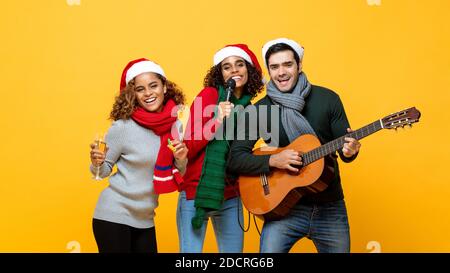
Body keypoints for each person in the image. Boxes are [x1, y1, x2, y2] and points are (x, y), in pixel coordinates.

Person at [228, 38, 361, 253]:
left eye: (287, 64)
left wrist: (350, 151)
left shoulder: (328, 99)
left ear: (299, 66)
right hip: (284, 209)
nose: (281, 72)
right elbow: (235, 158)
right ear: (269, 71)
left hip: (330, 206)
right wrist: (273, 160)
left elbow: (345, 149)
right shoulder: (259, 110)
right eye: (274, 67)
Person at [89, 58, 188, 253]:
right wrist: (97, 162)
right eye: (140, 89)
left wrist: (181, 159)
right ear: (132, 94)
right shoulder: (123, 127)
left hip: (145, 218)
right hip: (113, 215)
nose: (148, 93)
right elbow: (102, 172)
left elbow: (180, 173)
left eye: (153, 86)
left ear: (165, 87)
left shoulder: (176, 125)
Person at [178, 44, 264, 253]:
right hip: (196, 194)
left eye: (239, 64)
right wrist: (216, 120)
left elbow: (240, 155)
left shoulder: (250, 109)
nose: (234, 70)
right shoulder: (208, 96)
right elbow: (188, 146)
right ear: (221, 74)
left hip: (230, 195)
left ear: (249, 70)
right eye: (227, 67)